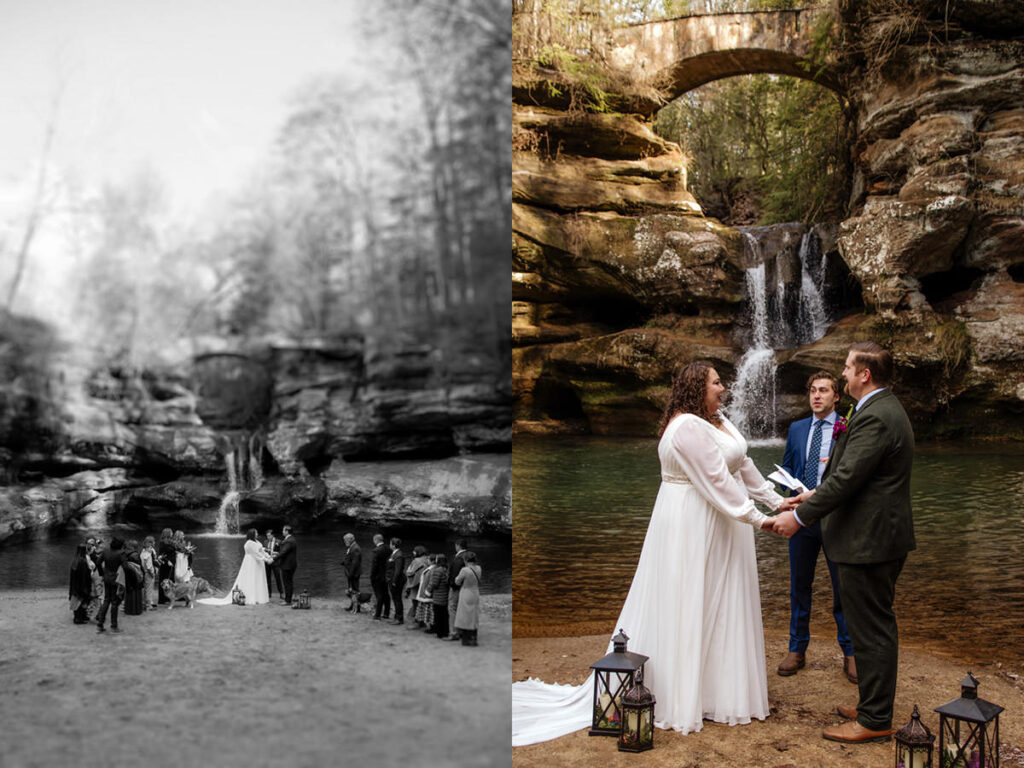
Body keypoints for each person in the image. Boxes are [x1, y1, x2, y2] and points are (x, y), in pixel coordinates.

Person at [512, 361, 785, 745]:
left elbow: (742, 464)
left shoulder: (716, 418)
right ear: (696, 387)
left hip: (719, 519)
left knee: (718, 603)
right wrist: (759, 520)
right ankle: (682, 693)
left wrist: (779, 501)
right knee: (688, 600)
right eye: (716, 382)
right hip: (691, 521)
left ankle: (714, 690)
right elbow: (716, 479)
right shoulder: (687, 426)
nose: (723, 388)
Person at [771, 342, 915, 744]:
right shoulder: (873, 410)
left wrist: (799, 516)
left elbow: (847, 478)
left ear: (864, 374)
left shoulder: (877, 416)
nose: (844, 373)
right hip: (869, 536)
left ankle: (874, 719)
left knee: (872, 628)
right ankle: (872, 703)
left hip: (870, 540)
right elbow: (850, 476)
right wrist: (809, 497)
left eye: (849, 367)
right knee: (869, 622)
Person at [777, 371, 856, 683]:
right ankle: (797, 649)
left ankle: (850, 653)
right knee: (800, 585)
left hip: (837, 518)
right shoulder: (797, 428)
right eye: (812, 390)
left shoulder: (847, 427)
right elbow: (787, 466)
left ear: (836, 397)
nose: (817, 396)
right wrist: (786, 491)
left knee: (843, 588)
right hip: (802, 518)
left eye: (823, 390)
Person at [199, 529, 274, 606]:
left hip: (257, 563)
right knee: (251, 578)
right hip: (252, 562)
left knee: (258, 578)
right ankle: (252, 597)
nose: (257, 534)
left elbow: (261, 551)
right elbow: (255, 554)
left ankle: (259, 597)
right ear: (252, 534)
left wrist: (269, 557)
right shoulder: (249, 543)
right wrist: (266, 560)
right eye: (256, 533)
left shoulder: (256, 542)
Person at [96, 538, 127, 634]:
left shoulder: (105, 551)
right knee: (114, 602)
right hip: (115, 579)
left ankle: (100, 624)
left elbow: (98, 563)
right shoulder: (120, 553)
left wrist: (102, 574)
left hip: (106, 578)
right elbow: (125, 567)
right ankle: (114, 626)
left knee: (106, 600)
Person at [454, 552, 482, 647]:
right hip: (475, 592)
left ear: (466, 560)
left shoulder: (465, 570)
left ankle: (466, 639)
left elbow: (457, 581)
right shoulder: (479, 568)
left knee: (465, 615)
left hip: (466, 592)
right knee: (474, 615)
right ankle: (474, 638)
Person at [447, 539, 469, 641]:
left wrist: (452, 585)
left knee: (452, 608)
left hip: (457, 588)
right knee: (462, 609)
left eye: (455, 545)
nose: (455, 547)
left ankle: (454, 632)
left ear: (458, 546)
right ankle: (462, 631)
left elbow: (455, 574)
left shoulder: (458, 558)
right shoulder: (469, 556)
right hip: (467, 588)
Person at [425, 553, 450, 640]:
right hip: (445, 595)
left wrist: (427, 591)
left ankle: (439, 633)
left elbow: (434, 584)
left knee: (438, 615)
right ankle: (446, 632)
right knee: (445, 615)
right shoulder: (446, 569)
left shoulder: (437, 570)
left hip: (438, 596)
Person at [404, 545, 430, 629]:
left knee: (415, 604)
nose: (413, 553)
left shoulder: (416, 561)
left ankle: (417, 622)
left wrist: (408, 586)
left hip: (416, 585)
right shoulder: (428, 560)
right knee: (422, 604)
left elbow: (410, 572)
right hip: (425, 585)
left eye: (414, 551)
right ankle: (422, 621)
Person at [69, 544, 93, 624]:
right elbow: (85, 575)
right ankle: (79, 618)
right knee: (82, 601)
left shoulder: (75, 560)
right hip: (81, 585)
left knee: (77, 601)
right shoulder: (83, 561)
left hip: (75, 585)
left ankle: (79, 617)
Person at [122, 539, 145, 616]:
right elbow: (139, 567)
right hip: (136, 576)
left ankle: (129, 609)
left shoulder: (126, 554)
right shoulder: (135, 555)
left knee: (129, 592)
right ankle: (136, 609)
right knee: (136, 593)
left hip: (128, 576)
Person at [369, 533, 390, 621]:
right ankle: (386, 613)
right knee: (386, 594)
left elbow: (374, 566)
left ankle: (377, 614)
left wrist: (372, 577)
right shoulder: (388, 549)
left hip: (377, 576)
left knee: (379, 595)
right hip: (386, 575)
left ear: (376, 540)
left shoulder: (376, 551)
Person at [386, 537, 406, 625]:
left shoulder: (398, 555)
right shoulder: (394, 554)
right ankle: (396, 616)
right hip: (392, 579)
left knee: (397, 599)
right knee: (395, 598)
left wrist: (394, 581)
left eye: (390, 543)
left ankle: (399, 618)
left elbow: (398, 570)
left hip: (396, 580)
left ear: (393, 545)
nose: (389, 545)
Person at [276, 526, 298, 605]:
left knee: (287, 583)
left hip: (287, 565)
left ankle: (287, 600)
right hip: (291, 564)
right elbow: (284, 550)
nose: (282, 531)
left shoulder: (289, 541)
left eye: (283, 530)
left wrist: (274, 558)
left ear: (287, 531)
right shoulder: (291, 539)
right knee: (289, 582)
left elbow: (283, 552)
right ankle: (289, 598)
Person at [342, 533, 362, 612]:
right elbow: (350, 559)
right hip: (351, 572)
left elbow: (355, 563)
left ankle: (357, 608)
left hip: (354, 573)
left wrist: (350, 574)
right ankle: (353, 605)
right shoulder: (352, 547)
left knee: (355, 590)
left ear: (350, 539)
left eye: (345, 540)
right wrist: (344, 562)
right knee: (352, 590)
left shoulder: (355, 548)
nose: (344, 542)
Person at [156, 528, 176, 604]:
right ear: (167, 533)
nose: (172, 534)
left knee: (170, 581)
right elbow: (161, 555)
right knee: (164, 581)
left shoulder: (170, 542)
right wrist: (168, 561)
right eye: (171, 533)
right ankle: (162, 599)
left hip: (171, 564)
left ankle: (168, 597)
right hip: (165, 565)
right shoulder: (162, 543)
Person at [263, 529, 283, 599]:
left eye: (269, 536)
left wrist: (277, 553)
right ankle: (269, 593)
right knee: (268, 578)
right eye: (267, 536)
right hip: (267, 562)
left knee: (278, 578)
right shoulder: (265, 542)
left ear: (272, 535)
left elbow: (282, 552)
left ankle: (281, 593)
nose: (268, 537)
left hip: (275, 562)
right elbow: (263, 551)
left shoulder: (279, 542)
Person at [140, 536, 158, 609]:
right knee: (149, 589)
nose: (154, 543)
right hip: (148, 573)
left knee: (145, 588)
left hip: (143, 572)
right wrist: (153, 574)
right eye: (153, 541)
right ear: (150, 544)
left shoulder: (143, 551)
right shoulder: (148, 554)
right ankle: (149, 605)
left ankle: (144, 603)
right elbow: (149, 567)